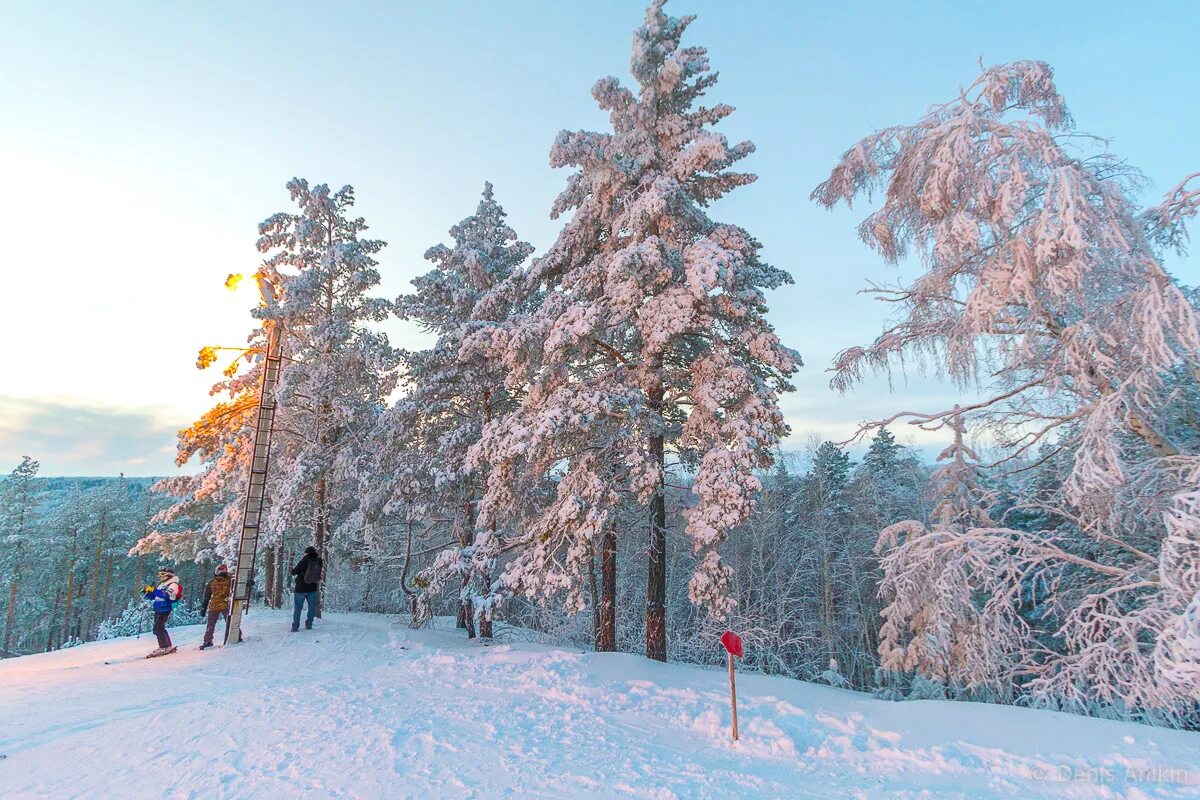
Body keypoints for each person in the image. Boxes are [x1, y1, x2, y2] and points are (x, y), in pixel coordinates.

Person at [142, 568, 182, 657]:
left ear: (169, 575)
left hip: (165, 608)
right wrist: (148, 592)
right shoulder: (163, 584)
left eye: (163, 574)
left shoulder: (173, 584)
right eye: (160, 574)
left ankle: (164, 646)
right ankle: (167, 646)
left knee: (158, 628)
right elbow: (155, 596)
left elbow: (166, 595)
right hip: (158, 608)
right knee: (159, 627)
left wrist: (154, 590)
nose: (160, 576)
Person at [199, 563, 232, 650]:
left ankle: (208, 641)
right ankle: (235, 637)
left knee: (212, 625)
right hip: (222, 605)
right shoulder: (229, 580)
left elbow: (206, 597)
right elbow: (207, 596)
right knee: (228, 623)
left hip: (220, 605)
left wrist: (203, 608)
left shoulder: (213, 582)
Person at [290, 546, 322, 632]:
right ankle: (309, 624)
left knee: (298, 608)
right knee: (312, 607)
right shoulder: (319, 561)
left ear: (306, 553)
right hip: (313, 588)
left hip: (301, 588)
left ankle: (295, 626)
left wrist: (293, 570)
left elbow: (294, 572)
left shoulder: (304, 561)